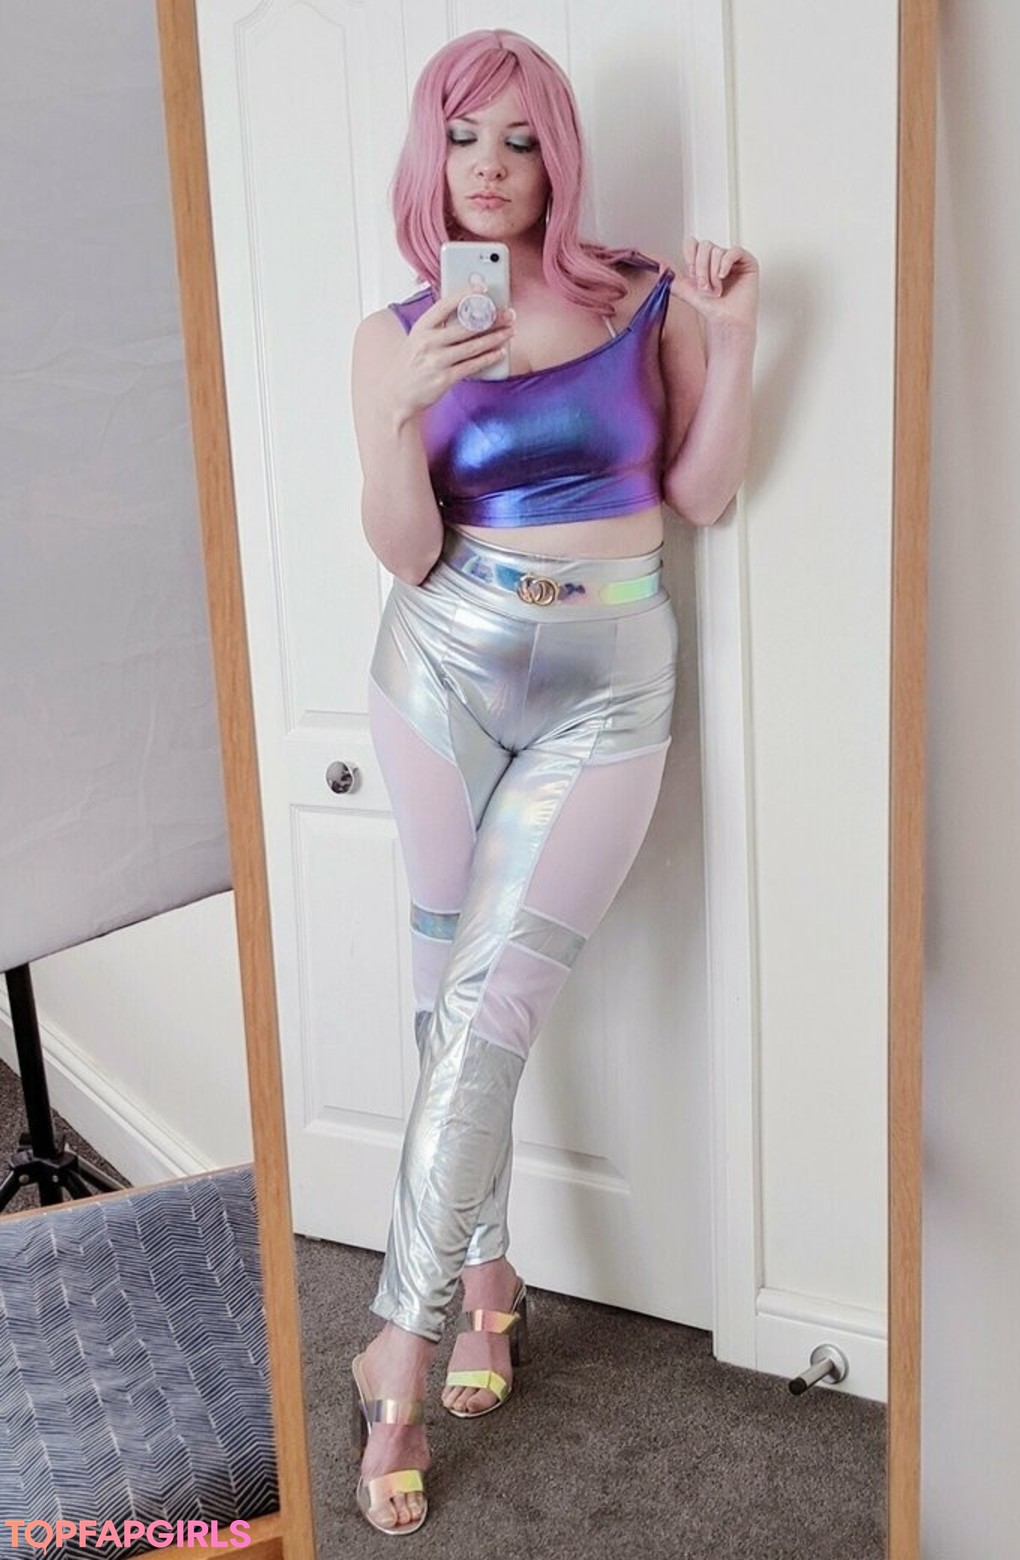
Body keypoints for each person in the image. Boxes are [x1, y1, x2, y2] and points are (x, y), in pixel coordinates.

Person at [348, 27, 758, 1536]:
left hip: (608, 683)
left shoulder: (640, 298)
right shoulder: (395, 332)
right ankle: (486, 1284)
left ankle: (396, 1344)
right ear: (430, 151)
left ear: (557, 157)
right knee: (444, 992)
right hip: (439, 665)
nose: (492, 168)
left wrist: (734, 337)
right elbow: (404, 550)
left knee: (491, 1002)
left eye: (521, 140)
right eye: (465, 136)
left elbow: (700, 492)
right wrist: (399, 408)